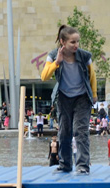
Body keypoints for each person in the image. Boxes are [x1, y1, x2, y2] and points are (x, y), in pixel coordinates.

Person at [40, 25, 97, 174]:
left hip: (82, 97)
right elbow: (44, 76)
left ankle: (83, 166)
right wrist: (56, 62)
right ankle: (65, 165)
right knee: (64, 132)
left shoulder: (84, 56)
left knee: (81, 131)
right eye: (72, 42)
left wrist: (95, 94)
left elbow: (92, 76)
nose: (76, 45)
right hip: (64, 97)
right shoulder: (53, 56)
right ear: (62, 42)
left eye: (77, 41)